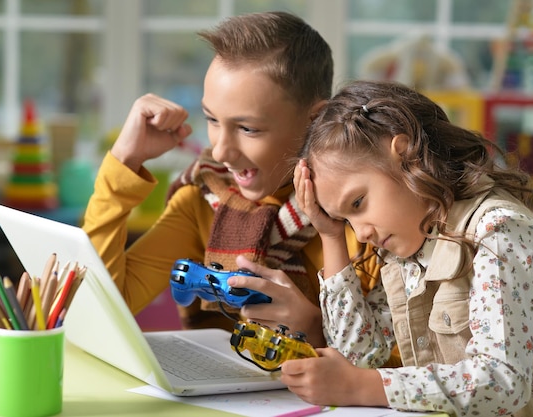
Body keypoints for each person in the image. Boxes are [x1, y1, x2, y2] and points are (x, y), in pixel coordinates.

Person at [82, 12, 385, 351]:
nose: (221, 150)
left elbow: (410, 363)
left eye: (248, 128)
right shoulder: (204, 200)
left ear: (315, 121)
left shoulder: (360, 215)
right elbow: (98, 306)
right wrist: (124, 162)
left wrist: (316, 332)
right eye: (211, 119)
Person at [281, 80, 533, 416]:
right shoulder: (409, 248)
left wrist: (359, 386)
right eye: (345, 220)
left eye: (358, 202)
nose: (361, 234)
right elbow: (358, 357)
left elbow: (501, 381)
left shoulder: (497, 231)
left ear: (406, 154)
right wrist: (331, 235)